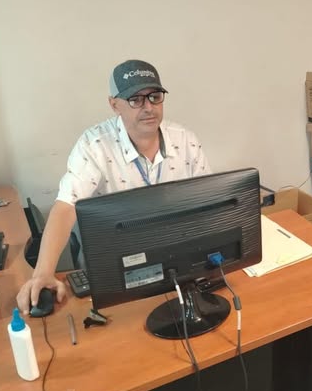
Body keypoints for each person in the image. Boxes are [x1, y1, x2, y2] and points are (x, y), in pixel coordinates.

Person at [16, 60, 211, 314]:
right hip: (118, 266)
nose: (148, 107)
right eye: (135, 100)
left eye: (154, 97)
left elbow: (208, 201)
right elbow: (66, 206)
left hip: (176, 258)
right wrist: (42, 273)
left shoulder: (185, 140)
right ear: (114, 104)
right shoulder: (94, 145)